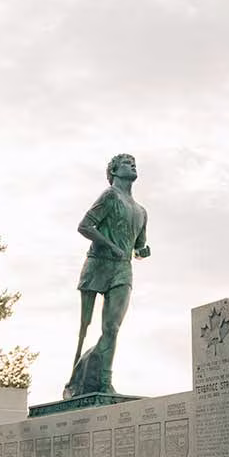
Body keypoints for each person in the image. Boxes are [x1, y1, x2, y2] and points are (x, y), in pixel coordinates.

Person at [64, 153, 150, 398]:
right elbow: (84, 226)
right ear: (113, 171)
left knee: (112, 326)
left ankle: (104, 381)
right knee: (85, 326)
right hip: (98, 264)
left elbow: (139, 248)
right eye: (126, 163)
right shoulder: (110, 196)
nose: (133, 165)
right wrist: (110, 245)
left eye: (134, 163)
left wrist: (143, 251)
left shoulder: (142, 211)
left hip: (123, 269)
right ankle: (74, 381)